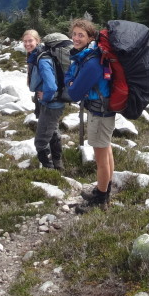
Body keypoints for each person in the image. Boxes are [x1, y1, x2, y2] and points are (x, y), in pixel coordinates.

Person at [64, 18, 114, 210]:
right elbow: (71, 78)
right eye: (74, 34)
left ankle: (100, 200)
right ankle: (104, 190)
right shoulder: (88, 56)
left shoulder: (92, 62)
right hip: (103, 110)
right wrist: (72, 81)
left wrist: (71, 83)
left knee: (101, 159)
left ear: (90, 37)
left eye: (81, 35)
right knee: (106, 150)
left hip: (100, 112)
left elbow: (74, 92)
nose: (76, 38)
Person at [22, 29, 66, 170]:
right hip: (48, 102)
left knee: (40, 142)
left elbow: (51, 86)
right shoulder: (36, 55)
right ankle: (58, 166)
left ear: (38, 41)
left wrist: (46, 96)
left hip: (51, 103)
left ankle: (49, 170)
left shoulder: (43, 59)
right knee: (52, 132)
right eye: (25, 41)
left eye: (30, 41)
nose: (27, 44)